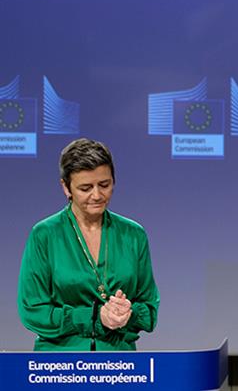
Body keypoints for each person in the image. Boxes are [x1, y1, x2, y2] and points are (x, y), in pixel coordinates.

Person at [18, 138, 159, 351]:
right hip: (60, 363)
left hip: (119, 362)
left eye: (104, 185)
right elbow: (33, 311)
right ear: (66, 187)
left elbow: (149, 310)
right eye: (85, 188)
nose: (97, 195)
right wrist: (93, 317)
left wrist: (126, 313)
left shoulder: (133, 234)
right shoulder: (44, 234)